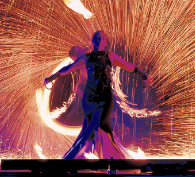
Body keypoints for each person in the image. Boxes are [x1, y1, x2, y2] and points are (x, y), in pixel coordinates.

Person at [44, 31, 149, 159]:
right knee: (89, 127)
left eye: (103, 37)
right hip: (90, 97)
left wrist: (143, 75)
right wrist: (50, 78)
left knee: (103, 126)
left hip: (105, 98)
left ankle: (108, 156)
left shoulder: (111, 56)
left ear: (105, 41)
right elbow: (67, 69)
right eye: (97, 37)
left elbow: (128, 66)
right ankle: (86, 156)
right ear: (93, 41)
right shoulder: (85, 58)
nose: (100, 39)